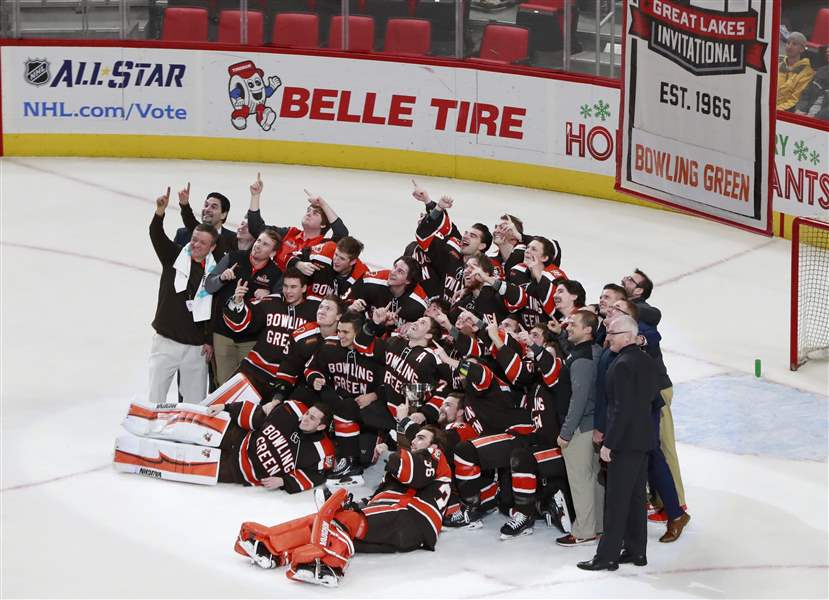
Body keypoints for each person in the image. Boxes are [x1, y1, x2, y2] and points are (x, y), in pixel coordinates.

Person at [233, 425, 452, 588]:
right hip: (401, 521)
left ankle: (327, 564)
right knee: (329, 519)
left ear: (434, 445)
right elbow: (378, 499)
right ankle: (271, 547)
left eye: (420, 438)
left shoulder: (435, 456)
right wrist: (353, 505)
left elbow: (406, 467)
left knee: (346, 520)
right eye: (413, 438)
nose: (414, 442)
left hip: (411, 518)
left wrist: (392, 451)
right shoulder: (410, 473)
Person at [578, 316, 661, 571]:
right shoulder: (646, 360)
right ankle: (637, 552)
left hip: (624, 443)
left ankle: (607, 557)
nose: (608, 337)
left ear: (628, 336)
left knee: (616, 502)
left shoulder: (622, 364)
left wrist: (609, 443)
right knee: (636, 498)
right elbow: (654, 401)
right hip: (643, 440)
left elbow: (620, 410)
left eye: (613, 333)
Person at [115, 397, 335, 492]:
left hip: (237, 470)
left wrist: (284, 481)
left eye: (313, 419)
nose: (305, 418)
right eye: (308, 413)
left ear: (321, 427)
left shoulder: (321, 452)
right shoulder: (293, 410)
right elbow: (257, 416)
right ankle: (139, 416)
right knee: (183, 424)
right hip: (234, 436)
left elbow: (316, 476)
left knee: (179, 461)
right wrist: (226, 407)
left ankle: (127, 455)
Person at [148, 187, 218, 405]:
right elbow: (157, 236)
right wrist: (160, 212)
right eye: (194, 239)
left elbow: (213, 309)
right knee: (156, 397)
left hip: (196, 348)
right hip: (166, 342)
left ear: (212, 247)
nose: (195, 245)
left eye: (202, 243)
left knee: (194, 402)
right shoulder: (174, 256)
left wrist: (208, 340)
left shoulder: (215, 272)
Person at [222, 268, 318, 400]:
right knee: (223, 404)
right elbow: (241, 325)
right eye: (285, 286)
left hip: (288, 377)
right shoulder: (271, 302)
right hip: (255, 369)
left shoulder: (316, 309)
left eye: (293, 287)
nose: (288, 291)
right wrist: (237, 301)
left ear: (304, 288)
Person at [205, 228, 282, 385]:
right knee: (224, 384)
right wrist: (221, 278)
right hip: (223, 334)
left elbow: (280, 306)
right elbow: (209, 286)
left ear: (273, 253)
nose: (258, 245)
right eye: (259, 240)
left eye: (265, 244)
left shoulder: (276, 274)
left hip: (251, 339)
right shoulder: (233, 257)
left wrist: (270, 296)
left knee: (245, 385)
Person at [555, 310, 603, 547]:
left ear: (588, 330)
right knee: (593, 478)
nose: (568, 326)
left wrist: (565, 432)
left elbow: (579, 398)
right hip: (590, 425)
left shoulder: (582, 358)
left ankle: (584, 531)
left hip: (580, 428)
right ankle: (598, 526)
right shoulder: (591, 352)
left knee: (581, 480)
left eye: (574, 324)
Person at [246, 173, 349, 271]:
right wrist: (255, 196)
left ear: (323, 224)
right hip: (271, 280)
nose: (309, 214)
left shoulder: (325, 245)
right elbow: (256, 228)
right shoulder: (290, 233)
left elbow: (342, 234)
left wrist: (323, 204)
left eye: (315, 213)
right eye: (308, 211)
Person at [174, 183, 237, 259]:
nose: (207, 209)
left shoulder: (233, 240)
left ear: (223, 214)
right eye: (206, 205)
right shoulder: (182, 234)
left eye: (213, 207)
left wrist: (185, 206)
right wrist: (184, 205)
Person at [777, 32, 815, 112]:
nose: (789, 46)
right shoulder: (778, 66)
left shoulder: (807, 73)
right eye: (788, 43)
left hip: (783, 112)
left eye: (794, 44)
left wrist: (775, 109)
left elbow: (795, 100)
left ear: (802, 49)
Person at [795, 46, 829, 120]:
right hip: (804, 117)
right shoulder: (821, 71)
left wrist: (815, 118)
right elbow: (805, 94)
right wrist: (800, 109)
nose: (827, 50)